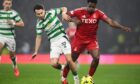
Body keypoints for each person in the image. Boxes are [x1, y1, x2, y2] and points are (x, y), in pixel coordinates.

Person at [62, 0, 131, 83]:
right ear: (87, 4)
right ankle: (63, 78)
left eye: (93, 7)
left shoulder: (99, 13)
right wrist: (73, 20)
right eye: (90, 6)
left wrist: (122, 27)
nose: (91, 8)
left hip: (91, 40)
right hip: (79, 40)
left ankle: (89, 77)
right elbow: (66, 15)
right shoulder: (79, 11)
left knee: (97, 58)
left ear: (95, 6)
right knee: (72, 60)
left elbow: (110, 22)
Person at [32, 4, 79, 84]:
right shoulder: (39, 24)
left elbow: (64, 8)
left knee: (69, 60)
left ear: (44, 10)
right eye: (38, 14)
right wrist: (36, 51)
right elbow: (38, 37)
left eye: (41, 13)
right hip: (53, 43)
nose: (40, 15)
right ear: (35, 14)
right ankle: (63, 68)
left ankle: (76, 78)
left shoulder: (51, 12)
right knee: (53, 64)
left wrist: (64, 13)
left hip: (62, 38)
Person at [0, 0, 24, 77]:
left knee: (12, 56)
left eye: (9, 4)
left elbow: (22, 24)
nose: (7, 5)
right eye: (6, 3)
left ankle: (15, 66)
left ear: (11, 5)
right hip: (1, 35)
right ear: (3, 4)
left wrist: (13, 23)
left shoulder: (14, 13)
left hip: (10, 37)